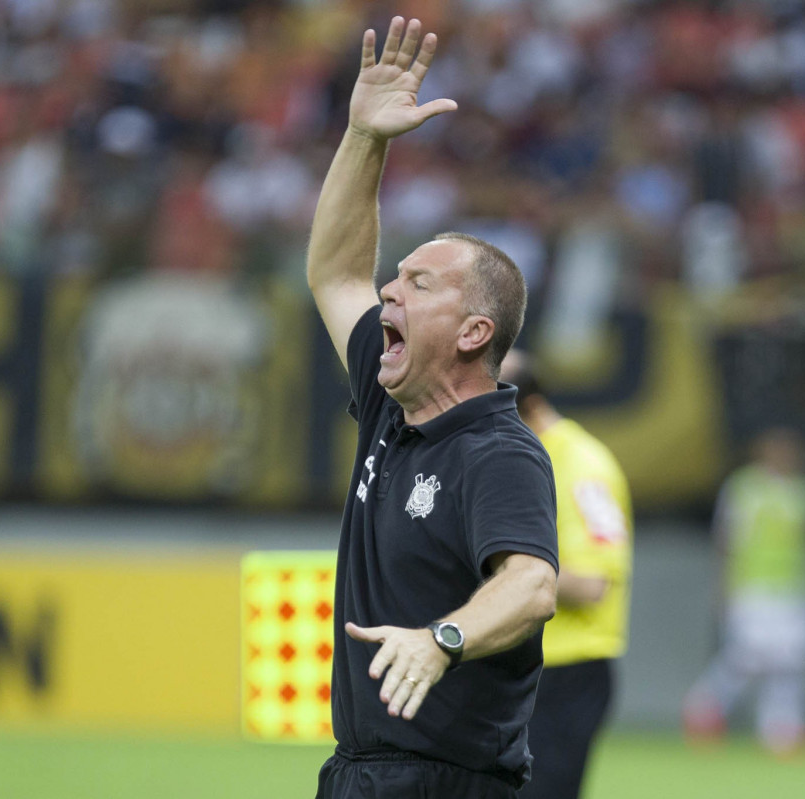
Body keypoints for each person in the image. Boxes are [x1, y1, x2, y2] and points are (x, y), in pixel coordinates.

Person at [306, 17, 560, 799]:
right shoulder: (391, 409)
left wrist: (441, 639)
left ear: (475, 331)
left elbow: (532, 585)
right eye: (398, 275)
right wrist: (363, 137)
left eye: (419, 283)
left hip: (450, 784)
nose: (389, 288)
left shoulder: (500, 452)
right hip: (359, 772)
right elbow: (337, 272)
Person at [501, 352, 633, 799]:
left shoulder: (582, 468)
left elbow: (593, 582)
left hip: (565, 673)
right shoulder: (523, 458)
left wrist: (498, 577)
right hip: (523, 666)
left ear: (531, 408)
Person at [682, 428, 805, 755]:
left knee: (791, 659)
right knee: (748, 656)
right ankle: (703, 707)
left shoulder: (804, 493)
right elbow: (725, 540)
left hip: (791, 589)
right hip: (751, 586)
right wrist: (723, 587)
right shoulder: (743, 488)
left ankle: (781, 728)